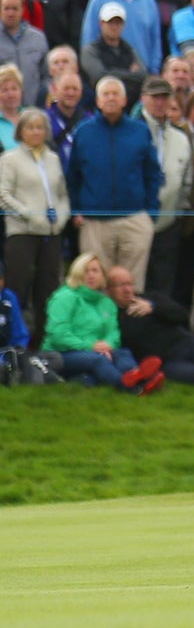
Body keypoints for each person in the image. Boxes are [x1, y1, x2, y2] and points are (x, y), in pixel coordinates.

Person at [68, 73, 163, 280]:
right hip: (94, 222)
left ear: (124, 100)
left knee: (131, 284)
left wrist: (150, 213)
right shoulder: (83, 132)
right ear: (98, 100)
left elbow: (152, 173)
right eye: (106, 94)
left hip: (134, 218)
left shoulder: (139, 131)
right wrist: (76, 210)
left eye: (115, 94)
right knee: (96, 283)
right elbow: (73, 176)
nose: (111, 98)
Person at [106, 263, 194, 392]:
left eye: (130, 284)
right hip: (165, 362)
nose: (128, 289)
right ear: (109, 290)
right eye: (122, 285)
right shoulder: (112, 317)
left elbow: (182, 315)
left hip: (186, 343)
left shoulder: (150, 298)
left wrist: (153, 307)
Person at [0, 107, 69, 337]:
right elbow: (3, 195)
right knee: (18, 287)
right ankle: (13, 339)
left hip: (51, 232)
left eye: (40, 127)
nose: (36, 132)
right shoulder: (10, 159)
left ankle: (42, 340)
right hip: (22, 232)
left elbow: (61, 194)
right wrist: (28, 214)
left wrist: (60, 218)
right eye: (30, 127)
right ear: (21, 131)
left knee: (48, 287)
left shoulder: (53, 159)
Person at [44, 252, 159, 390]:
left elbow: (113, 332)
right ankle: (132, 387)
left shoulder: (107, 303)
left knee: (123, 353)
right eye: (85, 271)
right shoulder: (64, 297)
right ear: (76, 273)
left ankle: (135, 376)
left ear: (102, 275)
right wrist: (91, 346)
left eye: (95, 271)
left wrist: (107, 345)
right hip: (61, 353)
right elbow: (58, 335)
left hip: (97, 351)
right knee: (98, 360)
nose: (91, 275)